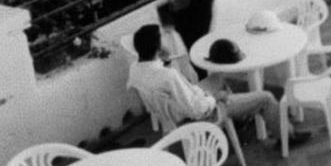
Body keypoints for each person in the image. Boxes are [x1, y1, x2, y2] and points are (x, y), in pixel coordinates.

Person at [127, 23, 304, 145]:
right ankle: (288, 137)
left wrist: (163, 61)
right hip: (201, 115)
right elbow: (196, 110)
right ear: (158, 49)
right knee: (266, 97)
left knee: (218, 78)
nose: (166, 42)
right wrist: (215, 98)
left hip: (173, 114)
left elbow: (167, 90)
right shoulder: (169, 76)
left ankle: (239, 117)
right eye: (162, 40)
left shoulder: (135, 69)